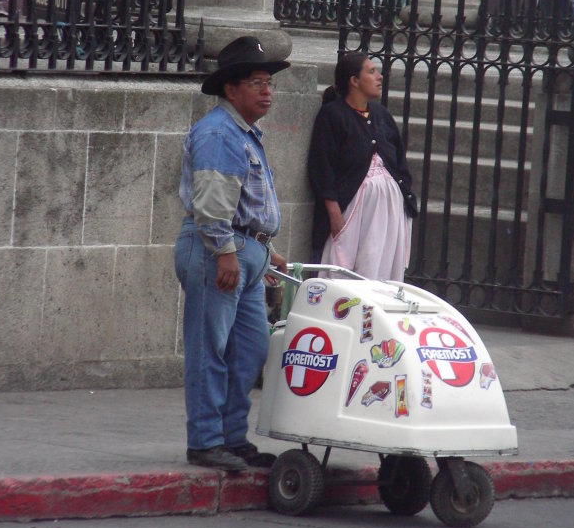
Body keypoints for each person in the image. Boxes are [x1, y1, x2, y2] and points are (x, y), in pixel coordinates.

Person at [174, 35, 289, 471]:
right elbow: (212, 206)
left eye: (268, 83)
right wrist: (225, 253)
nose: (266, 91)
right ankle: (206, 440)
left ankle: (231, 437)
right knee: (211, 348)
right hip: (217, 251)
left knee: (249, 348)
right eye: (256, 82)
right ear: (231, 90)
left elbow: (247, 204)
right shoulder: (220, 134)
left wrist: (268, 251)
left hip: (242, 252)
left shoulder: (242, 133)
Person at [307, 52, 417, 280]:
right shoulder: (332, 115)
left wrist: (404, 200)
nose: (379, 76)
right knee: (350, 271)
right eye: (371, 71)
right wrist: (334, 212)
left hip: (389, 213)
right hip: (354, 212)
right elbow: (322, 165)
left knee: (382, 270)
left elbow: (399, 161)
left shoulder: (381, 115)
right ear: (354, 81)